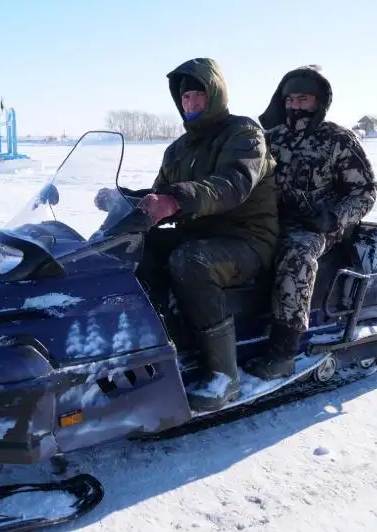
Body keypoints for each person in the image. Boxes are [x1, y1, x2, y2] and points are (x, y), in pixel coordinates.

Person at [97, 58, 279, 411]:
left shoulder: (244, 134)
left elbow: (231, 184)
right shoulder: (178, 149)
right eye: (185, 98)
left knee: (190, 261)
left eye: (198, 95)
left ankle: (224, 375)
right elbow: (161, 193)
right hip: (198, 233)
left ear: (215, 95)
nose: (191, 104)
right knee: (138, 248)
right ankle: (160, 342)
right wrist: (124, 201)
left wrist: (174, 200)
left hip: (248, 239)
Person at [243, 65, 377, 380]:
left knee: (296, 256)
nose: (294, 106)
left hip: (317, 226)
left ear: (319, 102)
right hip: (270, 219)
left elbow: (365, 191)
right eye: (290, 100)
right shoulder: (270, 138)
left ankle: (283, 351)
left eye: (303, 99)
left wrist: (333, 217)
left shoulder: (338, 140)